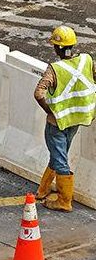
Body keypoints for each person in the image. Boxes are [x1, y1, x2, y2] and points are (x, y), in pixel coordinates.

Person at [33, 25, 96, 212]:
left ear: (56, 48)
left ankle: (64, 201)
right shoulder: (86, 60)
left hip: (57, 122)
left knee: (60, 159)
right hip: (76, 119)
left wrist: (50, 111)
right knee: (59, 153)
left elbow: (38, 93)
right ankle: (43, 189)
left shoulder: (55, 69)